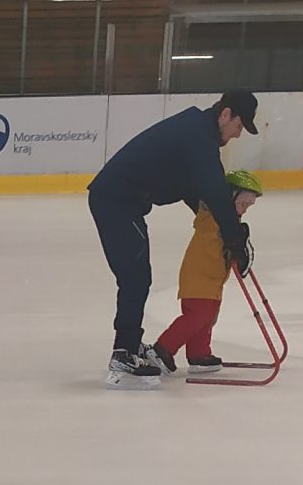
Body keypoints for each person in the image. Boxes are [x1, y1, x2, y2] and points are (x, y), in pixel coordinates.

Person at [87, 89, 259, 387]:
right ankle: (124, 353)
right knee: (136, 278)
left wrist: (226, 231)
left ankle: (129, 345)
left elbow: (198, 192)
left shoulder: (196, 131)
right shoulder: (199, 138)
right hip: (116, 201)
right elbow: (215, 193)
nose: (238, 134)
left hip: (122, 201)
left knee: (137, 276)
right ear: (226, 114)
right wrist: (234, 239)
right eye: (239, 125)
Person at [153, 169, 263, 377]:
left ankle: (199, 353)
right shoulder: (212, 219)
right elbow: (218, 238)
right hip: (199, 278)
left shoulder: (227, 222)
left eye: (248, 206)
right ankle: (163, 348)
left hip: (212, 281)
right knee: (196, 316)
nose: (245, 210)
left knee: (208, 317)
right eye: (243, 204)